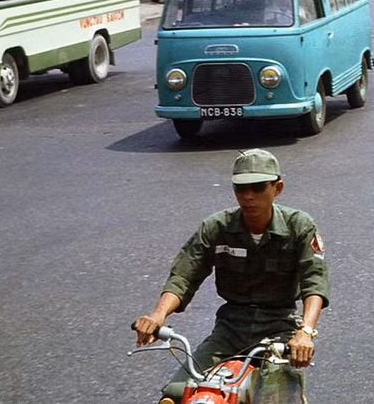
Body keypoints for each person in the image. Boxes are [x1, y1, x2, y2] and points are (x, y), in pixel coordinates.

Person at [133, 149, 328, 403]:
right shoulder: (216, 227)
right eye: (241, 188)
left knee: (280, 398)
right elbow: (184, 275)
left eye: (258, 187)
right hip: (230, 328)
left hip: (279, 328)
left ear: (277, 188)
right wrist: (158, 315)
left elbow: (314, 281)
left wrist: (305, 332)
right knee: (177, 394)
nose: (248, 196)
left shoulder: (299, 226)